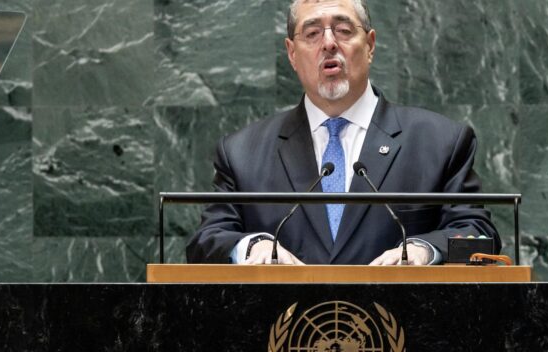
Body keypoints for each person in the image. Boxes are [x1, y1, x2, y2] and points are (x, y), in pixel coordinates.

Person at [186, 0, 499, 265]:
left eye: (344, 29)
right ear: (292, 54)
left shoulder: (440, 141)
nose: (329, 43)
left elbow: (479, 236)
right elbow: (206, 241)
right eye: (312, 33)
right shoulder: (241, 153)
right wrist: (251, 247)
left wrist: (425, 250)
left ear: (370, 45)